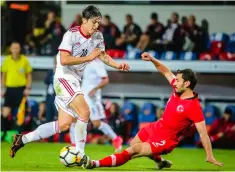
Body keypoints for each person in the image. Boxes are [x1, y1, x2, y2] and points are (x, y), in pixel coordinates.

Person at [10, 5, 130, 160]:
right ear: (84, 20)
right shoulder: (71, 35)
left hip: (74, 81)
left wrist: (117, 65)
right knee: (85, 112)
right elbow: (64, 60)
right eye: (94, 22)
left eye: (98, 22)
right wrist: (88, 58)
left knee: (64, 124)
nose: (96, 25)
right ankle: (80, 154)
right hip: (63, 78)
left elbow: (103, 55)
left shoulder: (98, 36)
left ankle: (22, 139)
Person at [82, 52, 223, 170]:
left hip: (165, 140)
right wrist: (152, 60)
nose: (175, 82)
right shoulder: (177, 87)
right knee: (133, 144)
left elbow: (203, 134)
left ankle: (94, 163)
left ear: (187, 84)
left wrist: (209, 155)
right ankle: (160, 162)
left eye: (178, 80)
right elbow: (165, 71)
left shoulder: (194, 106)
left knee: (132, 151)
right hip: (156, 127)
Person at [69, 58, 123, 152]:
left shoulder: (97, 64)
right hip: (82, 96)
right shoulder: (85, 62)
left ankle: (116, 139)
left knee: (96, 123)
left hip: (92, 99)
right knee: (74, 120)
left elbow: (105, 80)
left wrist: (95, 89)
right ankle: (74, 146)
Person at [1, 41, 32, 140]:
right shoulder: (7, 60)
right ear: (10, 49)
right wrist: (2, 88)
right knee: (5, 113)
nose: (15, 50)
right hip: (10, 89)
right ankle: (3, 133)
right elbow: (3, 75)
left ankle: (19, 136)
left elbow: (29, 75)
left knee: (21, 112)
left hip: (21, 89)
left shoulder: (24, 60)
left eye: (17, 48)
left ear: (20, 49)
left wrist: (27, 88)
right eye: (13, 48)